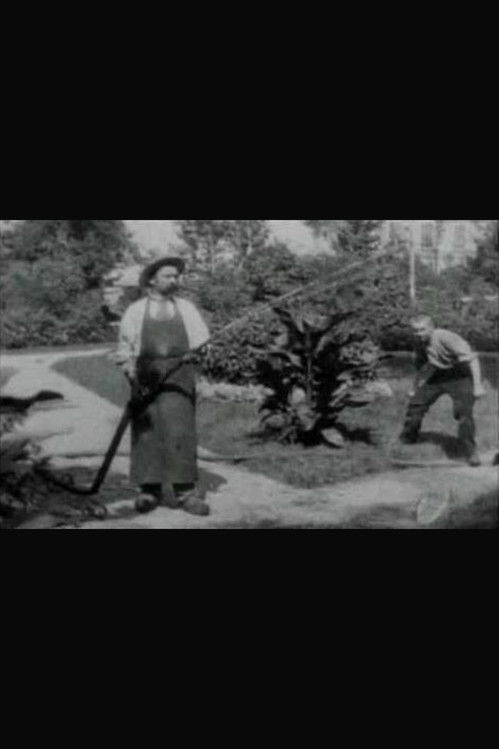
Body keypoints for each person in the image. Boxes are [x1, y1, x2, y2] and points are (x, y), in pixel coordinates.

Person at [116, 256, 211, 515]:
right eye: (168, 276)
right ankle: (149, 491)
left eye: (176, 276)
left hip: (179, 378)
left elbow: (202, 341)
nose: (174, 280)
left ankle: (185, 494)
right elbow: (125, 349)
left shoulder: (186, 309)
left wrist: (199, 353)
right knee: (148, 433)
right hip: (146, 378)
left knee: (180, 432)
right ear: (152, 280)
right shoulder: (135, 311)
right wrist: (132, 375)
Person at [399, 315, 486, 466]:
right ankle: (407, 440)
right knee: (415, 405)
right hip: (438, 375)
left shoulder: (446, 337)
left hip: (460, 375)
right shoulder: (418, 343)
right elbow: (422, 368)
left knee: (463, 412)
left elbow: (472, 359)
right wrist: (414, 389)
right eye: (415, 331)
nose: (419, 334)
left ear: (431, 328)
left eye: (422, 330)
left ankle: (470, 452)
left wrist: (477, 386)